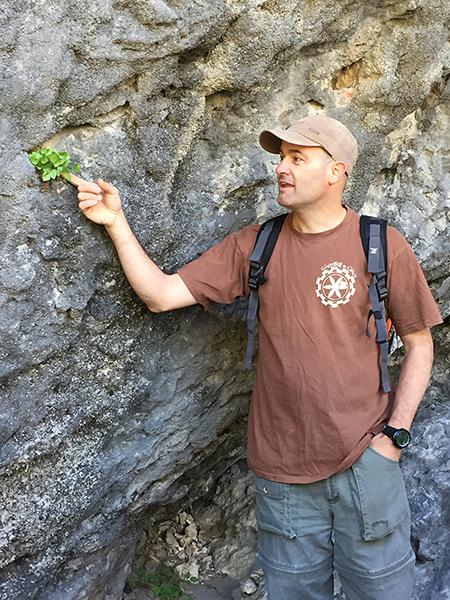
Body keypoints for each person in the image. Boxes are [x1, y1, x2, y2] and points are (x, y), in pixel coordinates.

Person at [68, 114, 443, 599]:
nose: (281, 169)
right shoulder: (258, 244)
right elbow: (160, 294)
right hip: (281, 468)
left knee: (383, 591)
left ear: (336, 172)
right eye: (280, 158)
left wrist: (395, 436)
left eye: (297, 158)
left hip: (365, 459)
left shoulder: (379, 244)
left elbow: (418, 342)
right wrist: (116, 223)